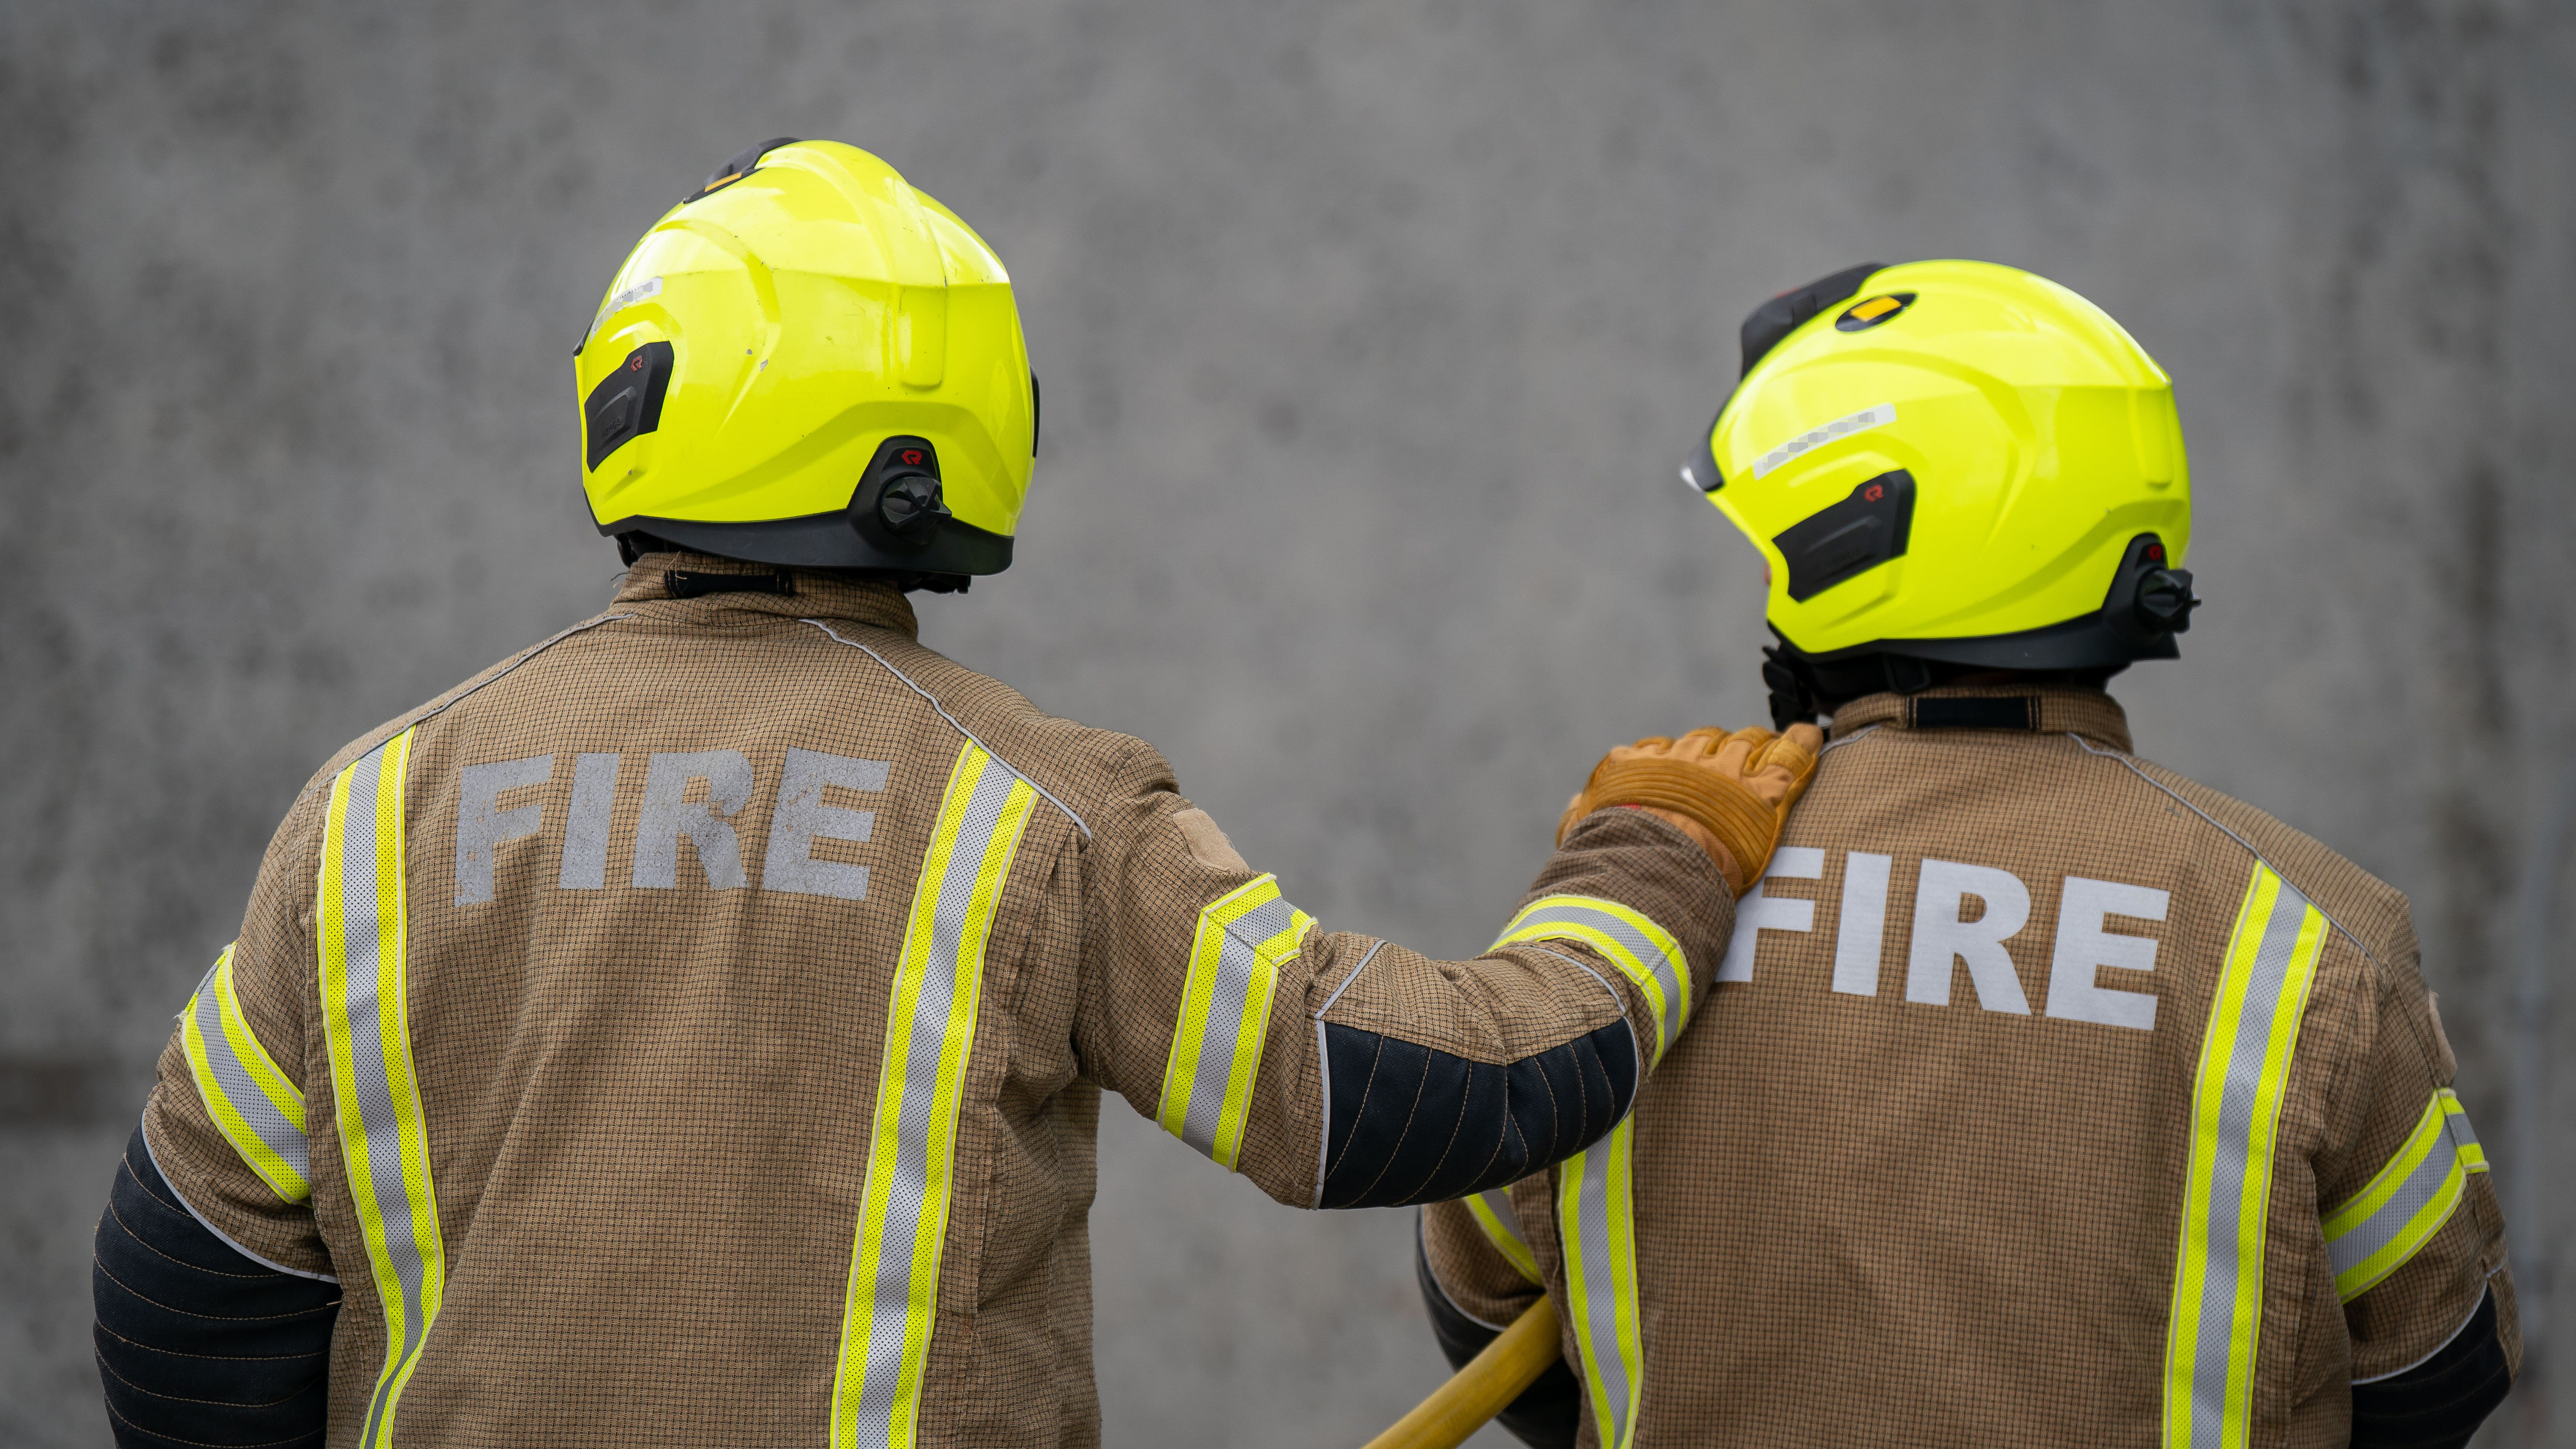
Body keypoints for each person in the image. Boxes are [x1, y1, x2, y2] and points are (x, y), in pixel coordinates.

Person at [88, 138, 1823, 1449]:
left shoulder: (378, 807)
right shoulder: (1037, 810)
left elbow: (192, 1280)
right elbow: (1388, 1087)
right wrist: (1658, 858)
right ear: (956, 434)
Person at [1416, 260, 2516, 1449]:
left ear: (1855, 537)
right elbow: (2437, 1372)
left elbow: (1487, 1315)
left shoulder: (1644, 893)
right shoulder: (2308, 936)